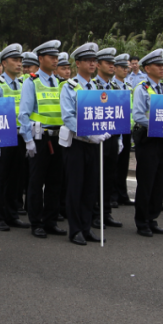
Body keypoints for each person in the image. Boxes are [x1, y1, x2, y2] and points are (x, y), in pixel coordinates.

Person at [58, 43, 108, 245]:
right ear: (77, 63)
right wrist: (88, 134)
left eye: (94, 60)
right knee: (75, 188)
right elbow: (68, 117)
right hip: (77, 144)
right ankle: (75, 229)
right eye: (87, 60)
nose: (92, 64)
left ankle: (87, 227)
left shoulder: (97, 87)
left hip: (94, 145)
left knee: (90, 188)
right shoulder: (69, 87)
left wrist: (105, 130)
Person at [19, 40, 68, 240]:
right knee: (36, 182)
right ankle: (36, 222)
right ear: (41, 59)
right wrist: (28, 139)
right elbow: (24, 114)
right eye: (51, 57)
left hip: (58, 139)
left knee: (56, 182)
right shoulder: (32, 81)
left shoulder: (60, 83)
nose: (55, 60)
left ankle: (50, 220)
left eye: (57, 57)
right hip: (39, 139)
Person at [0, 44, 31, 230]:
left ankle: (12, 214)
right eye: (15, 60)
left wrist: (28, 138)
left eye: (21, 61)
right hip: (2, 137)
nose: (19, 64)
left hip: (19, 136)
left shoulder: (22, 84)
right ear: (4, 63)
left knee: (16, 178)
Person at [131, 49, 163, 236]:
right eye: (158, 65)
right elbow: (138, 115)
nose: (162, 68)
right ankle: (142, 221)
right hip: (147, 140)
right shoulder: (142, 88)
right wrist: (160, 127)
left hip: (162, 141)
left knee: (158, 182)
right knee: (146, 181)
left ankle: (152, 217)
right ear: (147, 68)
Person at [91, 46, 123, 229]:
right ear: (98, 65)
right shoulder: (91, 86)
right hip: (96, 137)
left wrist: (118, 139)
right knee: (96, 177)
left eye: (113, 63)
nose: (112, 66)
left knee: (109, 176)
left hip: (111, 137)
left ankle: (106, 212)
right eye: (108, 63)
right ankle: (95, 213)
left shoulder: (115, 87)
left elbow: (119, 115)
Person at [111, 53, 134, 208]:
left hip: (126, 129)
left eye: (127, 67)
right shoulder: (110, 87)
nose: (126, 70)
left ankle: (122, 193)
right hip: (113, 129)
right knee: (113, 164)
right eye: (123, 67)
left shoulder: (129, 87)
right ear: (115, 68)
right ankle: (112, 195)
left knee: (124, 163)